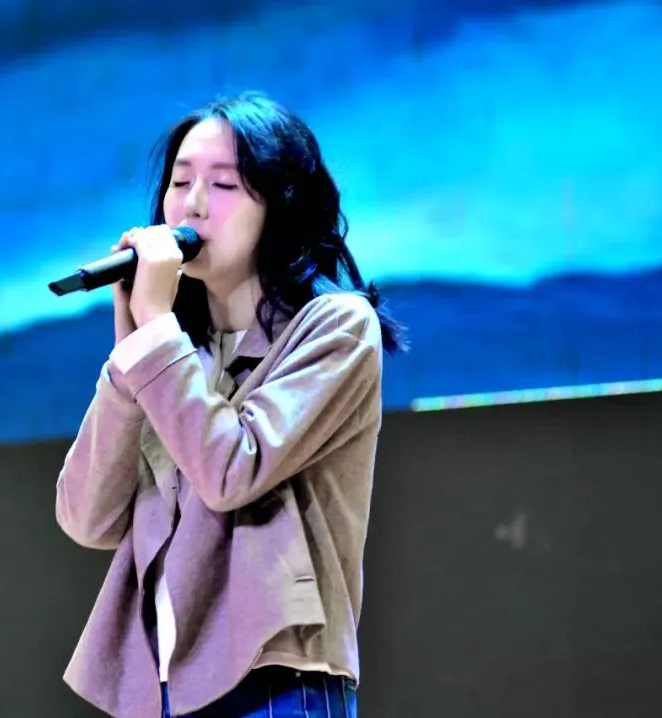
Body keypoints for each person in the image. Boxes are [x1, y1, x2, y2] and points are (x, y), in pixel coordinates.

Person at [55, 91, 405, 718]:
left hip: (278, 684)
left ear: (281, 204)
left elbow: (232, 470)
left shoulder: (336, 328)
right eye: (179, 182)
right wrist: (130, 358)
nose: (192, 204)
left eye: (222, 185)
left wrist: (155, 337)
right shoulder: (174, 354)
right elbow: (86, 517)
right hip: (163, 692)